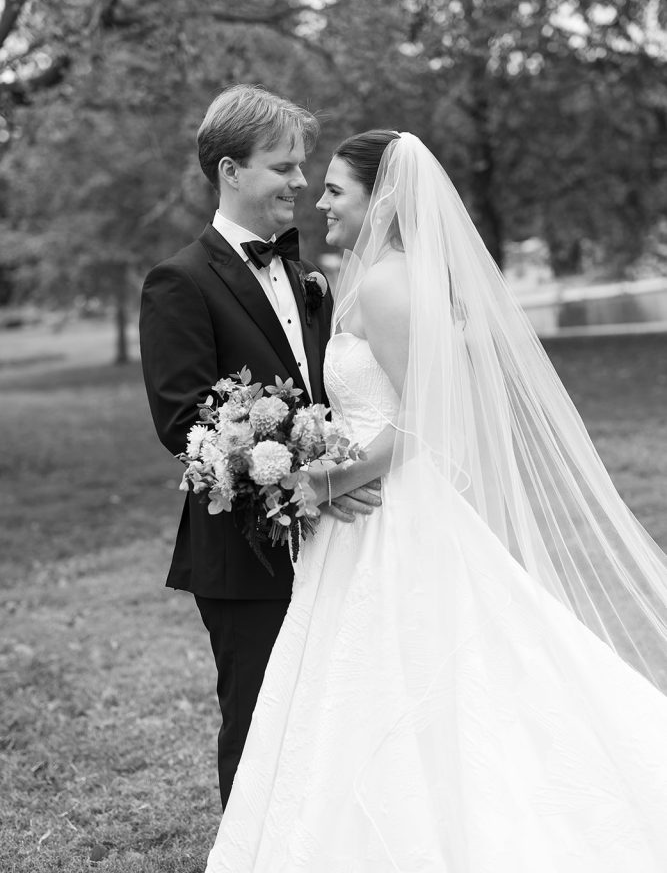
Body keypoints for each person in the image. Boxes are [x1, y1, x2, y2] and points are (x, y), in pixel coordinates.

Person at [204, 130, 667, 872]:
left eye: (334, 191)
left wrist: (323, 482)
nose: (318, 202)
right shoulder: (364, 277)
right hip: (363, 511)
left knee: (419, 668)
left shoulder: (387, 284)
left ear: (379, 198)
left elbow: (424, 418)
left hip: (388, 511)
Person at [139, 86, 379, 810]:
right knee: (260, 719)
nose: (302, 183)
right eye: (284, 167)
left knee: (328, 712)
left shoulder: (310, 276)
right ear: (231, 172)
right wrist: (298, 479)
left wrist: (340, 471)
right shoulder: (178, 282)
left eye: (304, 167)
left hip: (336, 537)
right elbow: (184, 424)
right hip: (243, 551)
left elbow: (326, 395)